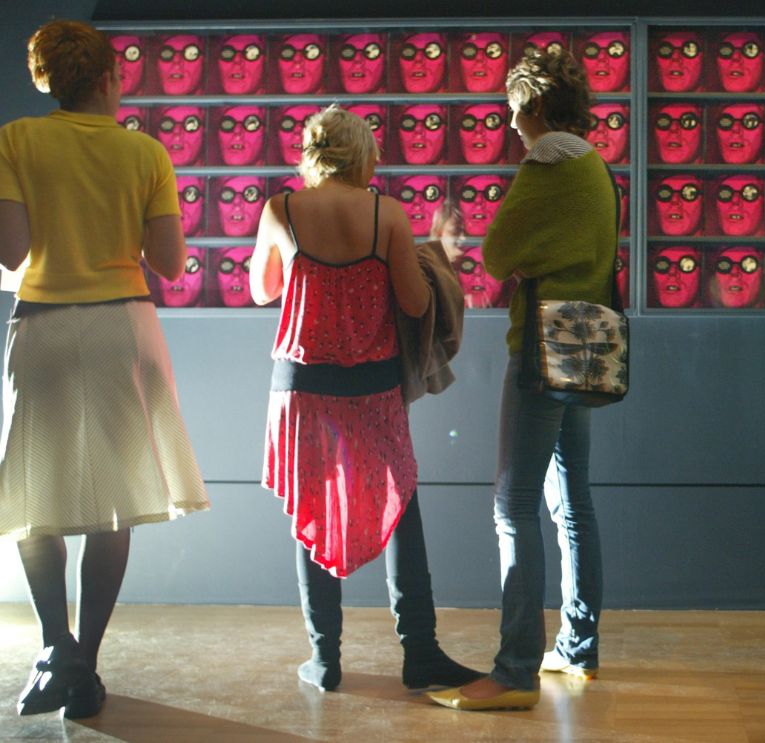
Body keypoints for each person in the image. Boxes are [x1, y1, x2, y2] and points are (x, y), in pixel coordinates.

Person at [0, 20, 210, 719]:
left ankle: (54, 648)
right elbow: (172, 264)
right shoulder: (145, 152)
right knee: (113, 501)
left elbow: (10, 252)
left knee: (37, 496)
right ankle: (84, 663)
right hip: (125, 324)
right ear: (105, 79)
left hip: (44, 326)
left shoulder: (16, 141)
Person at [250, 105, 481, 693]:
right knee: (399, 502)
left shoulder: (281, 208)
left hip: (301, 385)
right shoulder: (387, 213)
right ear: (363, 155)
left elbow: (261, 290)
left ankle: (325, 659)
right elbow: (411, 301)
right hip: (372, 384)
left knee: (311, 511)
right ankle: (421, 652)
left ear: (312, 153)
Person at [428, 47, 616, 712]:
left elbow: (499, 251)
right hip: (587, 339)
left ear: (533, 104)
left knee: (513, 505)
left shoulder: (543, 163)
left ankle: (512, 670)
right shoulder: (594, 165)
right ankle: (577, 646)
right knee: (575, 503)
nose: (509, 124)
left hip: (539, 343)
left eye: (513, 109)